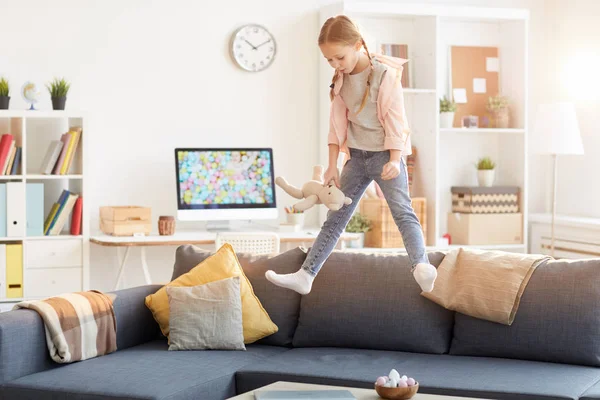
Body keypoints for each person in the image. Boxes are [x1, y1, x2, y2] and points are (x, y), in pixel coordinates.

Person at [266, 15, 437, 295]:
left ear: (358, 45)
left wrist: (395, 158)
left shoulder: (385, 75)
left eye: (339, 57)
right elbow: (336, 127)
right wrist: (332, 165)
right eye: (329, 60)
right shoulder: (340, 80)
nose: (335, 65)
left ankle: (421, 266)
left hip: (385, 156)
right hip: (356, 157)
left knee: (402, 212)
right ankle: (306, 275)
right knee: (336, 215)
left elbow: (396, 121)